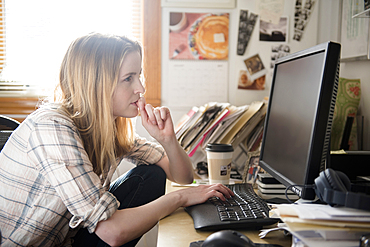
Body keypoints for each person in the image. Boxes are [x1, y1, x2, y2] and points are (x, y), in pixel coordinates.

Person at [0, 33, 234, 247]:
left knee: (151, 175)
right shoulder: (52, 127)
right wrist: (179, 198)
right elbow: (112, 232)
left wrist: (168, 139)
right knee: (119, 220)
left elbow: (183, 176)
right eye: (128, 78)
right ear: (97, 83)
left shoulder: (106, 129)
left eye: (139, 75)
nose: (140, 88)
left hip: (64, 239)